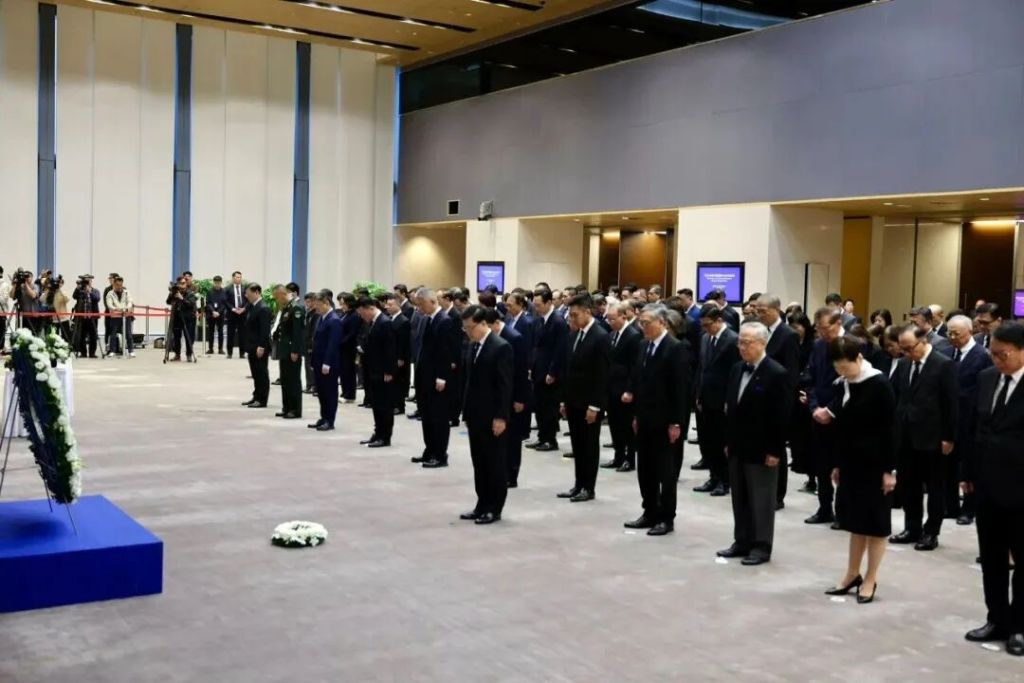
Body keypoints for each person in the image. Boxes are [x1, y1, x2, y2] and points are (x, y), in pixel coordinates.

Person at [815, 336, 897, 604]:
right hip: (852, 463)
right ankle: (852, 574)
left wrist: (889, 470)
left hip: (876, 465)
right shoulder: (845, 384)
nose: (843, 373)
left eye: (846, 367)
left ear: (859, 358)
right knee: (855, 522)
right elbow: (843, 427)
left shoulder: (879, 384)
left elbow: (890, 430)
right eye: (838, 368)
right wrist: (838, 463)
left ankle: (870, 577)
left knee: (875, 524)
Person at [962, 322, 1024, 656]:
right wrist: (967, 472)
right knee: (992, 559)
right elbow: (974, 428)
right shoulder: (987, 378)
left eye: (1004, 355)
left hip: (1021, 490)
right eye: (993, 354)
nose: (997, 360)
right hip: (987, 486)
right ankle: (996, 619)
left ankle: (1019, 626)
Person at [716, 322, 789, 565]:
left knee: (761, 499)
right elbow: (731, 408)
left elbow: (780, 417)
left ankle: (761, 545)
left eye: (747, 343)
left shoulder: (776, 373)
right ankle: (742, 540)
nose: (742, 347)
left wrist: (774, 451)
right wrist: (728, 440)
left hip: (762, 448)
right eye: (740, 342)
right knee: (740, 497)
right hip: (738, 445)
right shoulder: (737, 369)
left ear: (762, 343)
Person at [623, 304, 691, 536]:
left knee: (665, 472)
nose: (643, 327)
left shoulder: (675, 348)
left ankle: (666, 517)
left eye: (647, 323)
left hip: (665, 421)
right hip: (645, 418)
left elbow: (680, 389)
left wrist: (676, 422)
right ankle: (649, 511)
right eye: (640, 323)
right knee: (645, 469)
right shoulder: (643, 346)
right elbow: (639, 381)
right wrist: (636, 415)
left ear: (661, 322)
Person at [889, 323, 958, 551]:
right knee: (909, 485)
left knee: (935, 486)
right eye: (903, 349)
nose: (907, 353)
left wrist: (949, 437)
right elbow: (898, 396)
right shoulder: (904, 364)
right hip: (906, 435)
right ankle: (912, 527)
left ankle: (931, 532)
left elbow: (951, 404)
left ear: (924, 341)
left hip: (933, 437)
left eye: (910, 348)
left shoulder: (943, 364)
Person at [457, 306, 513, 525]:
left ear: (483, 324)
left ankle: (494, 508)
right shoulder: (473, 346)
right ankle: (481, 503)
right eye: (465, 328)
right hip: (475, 415)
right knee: (479, 462)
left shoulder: (501, 347)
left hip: (492, 417)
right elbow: (470, 382)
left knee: (494, 463)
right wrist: (466, 411)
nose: (468, 332)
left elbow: (504, 386)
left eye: (470, 328)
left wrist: (501, 417)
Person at [557, 293, 611, 503]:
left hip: (589, 403)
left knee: (589, 446)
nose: (571, 319)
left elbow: (602, 375)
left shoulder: (600, 336)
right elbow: (568, 370)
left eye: (575, 315)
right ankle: (578, 484)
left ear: (588, 312)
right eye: (570, 315)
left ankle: (588, 487)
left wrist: (595, 406)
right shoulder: (575, 335)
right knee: (578, 445)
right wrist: (564, 400)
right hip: (573, 400)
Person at [943, 315, 992, 526]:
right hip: (949, 418)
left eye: (956, 333)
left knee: (969, 466)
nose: (952, 337)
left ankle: (969, 509)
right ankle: (950, 506)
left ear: (970, 332)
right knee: (948, 464)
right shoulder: (946, 353)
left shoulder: (982, 356)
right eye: (949, 333)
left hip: (971, 419)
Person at [801, 308, 845, 526]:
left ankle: (843, 512)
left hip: (842, 416)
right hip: (818, 414)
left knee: (842, 465)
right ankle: (824, 508)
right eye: (818, 329)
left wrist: (830, 410)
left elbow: (850, 384)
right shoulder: (818, 345)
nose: (822, 333)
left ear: (838, 324)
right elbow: (810, 378)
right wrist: (815, 408)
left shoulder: (852, 344)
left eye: (825, 328)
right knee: (821, 465)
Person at [756, 293, 800, 508]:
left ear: (775, 310)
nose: (759, 315)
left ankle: (777, 495)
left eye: (762, 311)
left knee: (776, 447)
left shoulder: (787, 335)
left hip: (777, 398)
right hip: (759, 397)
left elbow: (791, 373)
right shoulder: (760, 331)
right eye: (757, 311)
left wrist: (787, 402)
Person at [694, 303, 740, 496]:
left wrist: (730, 399)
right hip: (706, 397)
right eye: (703, 325)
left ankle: (725, 480)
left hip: (723, 399)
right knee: (709, 441)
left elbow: (735, 373)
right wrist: (698, 394)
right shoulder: (705, 338)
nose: (705, 328)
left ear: (719, 320)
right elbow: (701, 368)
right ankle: (713, 476)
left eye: (708, 324)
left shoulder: (733, 340)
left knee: (722, 441)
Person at [412, 287, 454, 468]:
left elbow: (446, 351)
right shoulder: (426, 319)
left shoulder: (444, 320)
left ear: (431, 301)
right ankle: (429, 450)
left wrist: (442, 377)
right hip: (424, 376)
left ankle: (440, 454)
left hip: (437, 378)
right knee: (427, 416)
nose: (419, 308)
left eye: (421, 304)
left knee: (438, 418)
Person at [489, 308, 529, 488]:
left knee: (512, 438)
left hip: (514, 394)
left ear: (495, 323)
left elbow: (521, 372)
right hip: (499, 394)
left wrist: (520, 398)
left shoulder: (514, 338)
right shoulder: (493, 337)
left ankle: (511, 475)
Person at [526, 288, 569, 452]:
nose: (536, 308)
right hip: (538, 369)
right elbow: (535, 346)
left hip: (550, 372)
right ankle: (542, 437)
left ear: (549, 302)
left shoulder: (558, 322)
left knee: (549, 407)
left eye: (539, 305)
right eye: (535, 305)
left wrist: (552, 372)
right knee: (539, 406)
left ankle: (550, 439)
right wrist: (531, 367)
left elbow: (560, 350)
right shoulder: (538, 320)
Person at [602, 301, 642, 472]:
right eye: (608, 319)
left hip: (624, 387)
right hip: (611, 387)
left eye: (613, 319)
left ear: (623, 317)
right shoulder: (612, 335)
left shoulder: (633, 336)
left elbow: (635, 366)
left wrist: (630, 390)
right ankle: (618, 455)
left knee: (626, 425)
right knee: (614, 424)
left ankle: (629, 458)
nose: (610, 322)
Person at [357, 297, 396, 448]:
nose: (362, 316)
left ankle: (384, 436)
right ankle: (378, 432)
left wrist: (389, 371)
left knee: (384, 405)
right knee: (376, 404)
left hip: (382, 372)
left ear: (370, 308)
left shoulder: (385, 322)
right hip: (372, 370)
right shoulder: (373, 322)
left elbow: (390, 349)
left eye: (362, 313)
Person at [309, 289, 341, 431]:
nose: (315, 308)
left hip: (328, 363)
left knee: (330, 392)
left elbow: (333, 344)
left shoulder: (334, 320)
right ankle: (323, 417)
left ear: (326, 303)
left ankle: (330, 420)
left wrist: (327, 363)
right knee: (321, 392)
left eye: (318, 305)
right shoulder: (321, 318)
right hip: (318, 361)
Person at [272, 284, 304, 420]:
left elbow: (297, 332)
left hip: (292, 350)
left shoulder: (296, 308)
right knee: (285, 380)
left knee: (293, 381)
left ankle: (295, 410)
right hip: (284, 350)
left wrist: (295, 350)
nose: (276, 300)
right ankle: (286, 407)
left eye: (276, 297)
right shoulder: (286, 307)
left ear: (282, 294)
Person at [241, 284, 271, 408]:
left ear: (257, 292)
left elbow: (265, 330)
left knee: (261, 373)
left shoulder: (263, 308)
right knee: (255, 373)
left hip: (259, 347)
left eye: (248, 293)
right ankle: (256, 396)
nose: (246, 295)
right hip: (252, 346)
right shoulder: (252, 306)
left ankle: (262, 399)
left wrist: (262, 346)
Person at [384, 294, 411, 416]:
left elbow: (403, 342)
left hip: (399, 357)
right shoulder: (390, 319)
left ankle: (399, 406)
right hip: (390, 355)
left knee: (399, 381)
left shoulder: (403, 321)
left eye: (390, 305)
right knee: (391, 381)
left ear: (398, 305)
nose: (387, 307)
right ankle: (392, 403)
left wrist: (400, 357)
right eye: (387, 304)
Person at [166, 276, 197, 362]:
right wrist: (172, 294)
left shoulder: (190, 293)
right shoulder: (175, 292)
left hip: (188, 318)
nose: (181, 285)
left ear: (186, 284)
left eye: (183, 283)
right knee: (176, 337)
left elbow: (190, 304)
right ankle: (177, 355)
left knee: (188, 337)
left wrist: (182, 298)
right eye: (180, 283)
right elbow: (168, 302)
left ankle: (189, 355)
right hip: (177, 318)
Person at [337, 292, 360, 403]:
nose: (342, 306)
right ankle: (344, 392)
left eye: (343, 303)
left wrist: (341, 342)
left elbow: (352, 333)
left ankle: (350, 395)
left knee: (349, 371)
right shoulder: (345, 314)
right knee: (343, 372)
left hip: (349, 348)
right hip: (342, 348)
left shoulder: (354, 315)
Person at [104, 276, 135, 357]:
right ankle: (112, 351)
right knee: (113, 334)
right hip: (115, 316)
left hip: (126, 316)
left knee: (128, 333)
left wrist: (127, 308)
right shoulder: (110, 293)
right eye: (117, 285)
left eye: (121, 285)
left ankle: (131, 351)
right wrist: (118, 309)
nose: (119, 286)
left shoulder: (126, 292)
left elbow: (130, 301)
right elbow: (109, 305)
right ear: (114, 284)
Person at [72, 275, 101, 358]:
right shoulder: (80, 291)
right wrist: (77, 288)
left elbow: (97, 299)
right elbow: (74, 296)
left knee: (93, 335)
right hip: (82, 317)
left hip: (92, 317)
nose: (87, 283)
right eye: (86, 281)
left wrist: (90, 292)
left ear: (91, 282)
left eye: (89, 281)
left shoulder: (95, 291)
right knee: (82, 335)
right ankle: (83, 353)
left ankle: (92, 353)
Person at [226, 271, 247, 359]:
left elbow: (248, 300)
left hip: (242, 314)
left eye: (240, 277)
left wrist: (244, 308)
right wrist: (233, 309)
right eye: (237, 277)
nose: (239, 279)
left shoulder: (245, 288)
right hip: (232, 314)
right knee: (230, 334)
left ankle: (242, 353)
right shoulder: (227, 289)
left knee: (242, 334)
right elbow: (225, 301)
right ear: (233, 278)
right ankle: (229, 353)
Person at [205, 275, 228, 354]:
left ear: (221, 282)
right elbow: (208, 303)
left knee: (220, 332)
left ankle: (220, 349)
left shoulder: (224, 291)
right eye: (215, 282)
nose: (217, 284)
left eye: (218, 282)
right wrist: (213, 311)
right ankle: (210, 348)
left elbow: (225, 303)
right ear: (213, 282)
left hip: (220, 315)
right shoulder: (209, 291)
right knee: (210, 332)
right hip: (211, 314)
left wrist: (218, 312)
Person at [302, 292, 319, 395]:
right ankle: (309, 384)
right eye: (306, 301)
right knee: (307, 365)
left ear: (314, 301)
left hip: (311, 344)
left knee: (311, 366)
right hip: (306, 343)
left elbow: (313, 331)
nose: (307, 303)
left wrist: (310, 345)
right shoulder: (309, 313)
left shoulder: (316, 314)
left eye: (309, 301)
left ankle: (313, 385)